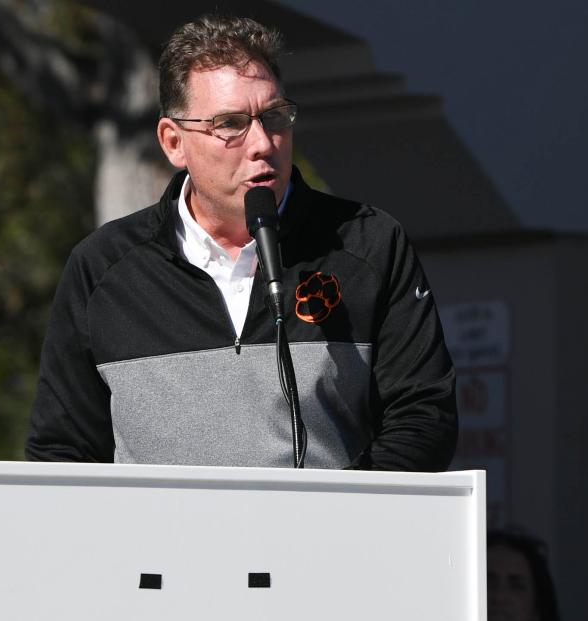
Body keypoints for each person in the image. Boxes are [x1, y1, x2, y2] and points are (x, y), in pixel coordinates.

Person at [25, 14, 457, 471]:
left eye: (273, 117)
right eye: (230, 123)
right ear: (174, 142)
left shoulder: (368, 243)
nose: (262, 143)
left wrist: (335, 520)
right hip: (160, 544)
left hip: (327, 540)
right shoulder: (102, 267)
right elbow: (62, 452)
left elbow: (424, 417)